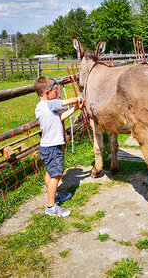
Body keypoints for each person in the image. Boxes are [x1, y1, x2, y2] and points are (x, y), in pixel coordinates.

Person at [34, 76, 85, 217]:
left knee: (50, 174)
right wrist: (77, 98)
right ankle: (51, 206)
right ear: (46, 93)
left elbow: (60, 118)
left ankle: (54, 195)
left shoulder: (43, 107)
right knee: (56, 176)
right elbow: (63, 102)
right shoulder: (47, 104)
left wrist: (75, 108)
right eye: (56, 91)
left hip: (46, 147)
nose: (58, 94)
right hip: (52, 148)